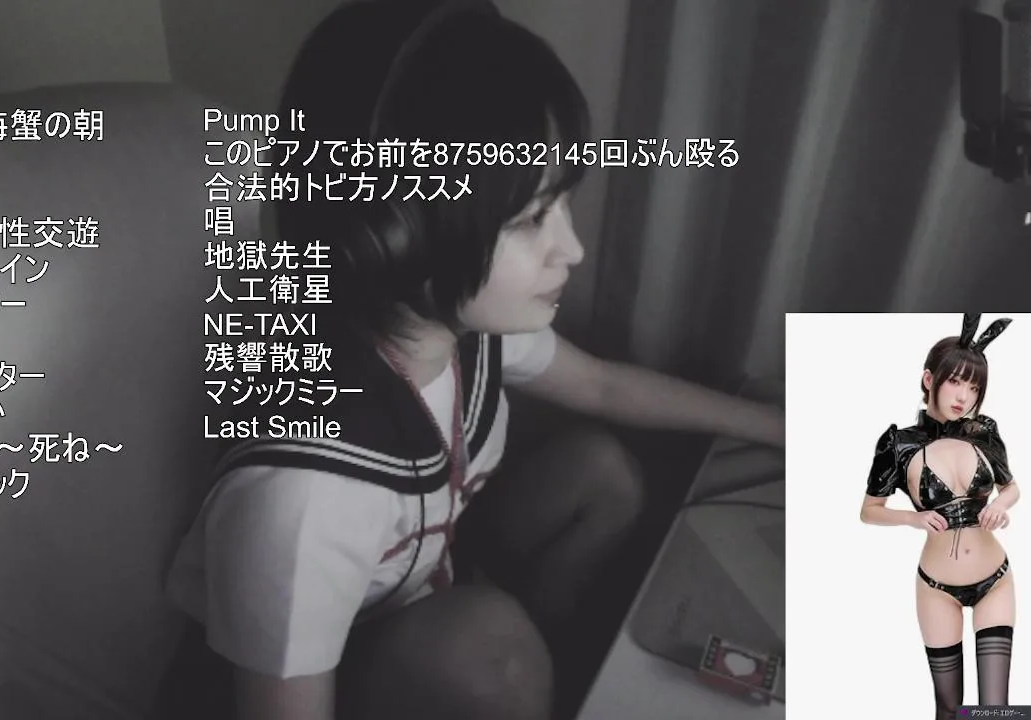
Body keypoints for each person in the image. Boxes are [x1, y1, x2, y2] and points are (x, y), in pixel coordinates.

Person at [165, 2, 785, 719]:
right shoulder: (304, 502)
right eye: (530, 219)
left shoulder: (451, 320)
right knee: (488, 649)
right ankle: (511, 679)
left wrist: (780, 425)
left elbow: (603, 385)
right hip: (338, 666)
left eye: (561, 205)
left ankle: (542, 672)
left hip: (433, 574)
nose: (572, 249)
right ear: (396, 233)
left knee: (601, 473)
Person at [861, 313, 1020, 719]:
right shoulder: (898, 444)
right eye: (956, 382)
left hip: (995, 580)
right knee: (949, 708)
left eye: (974, 387)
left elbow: (1012, 487)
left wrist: (1000, 505)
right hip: (936, 588)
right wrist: (912, 519)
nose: (964, 396)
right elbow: (869, 511)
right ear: (929, 379)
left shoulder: (983, 431)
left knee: (995, 710)